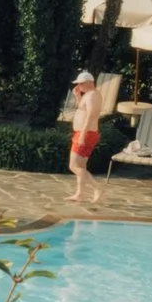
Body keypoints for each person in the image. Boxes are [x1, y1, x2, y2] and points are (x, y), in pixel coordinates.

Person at [66, 72, 103, 206]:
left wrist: (83, 133)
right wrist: (77, 97)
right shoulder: (88, 95)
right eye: (78, 84)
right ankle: (80, 194)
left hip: (86, 133)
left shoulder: (93, 95)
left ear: (90, 82)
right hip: (84, 132)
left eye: (81, 84)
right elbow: (82, 110)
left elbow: (91, 115)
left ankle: (97, 187)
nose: (79, 86)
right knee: (81, 166)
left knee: (73, 166)